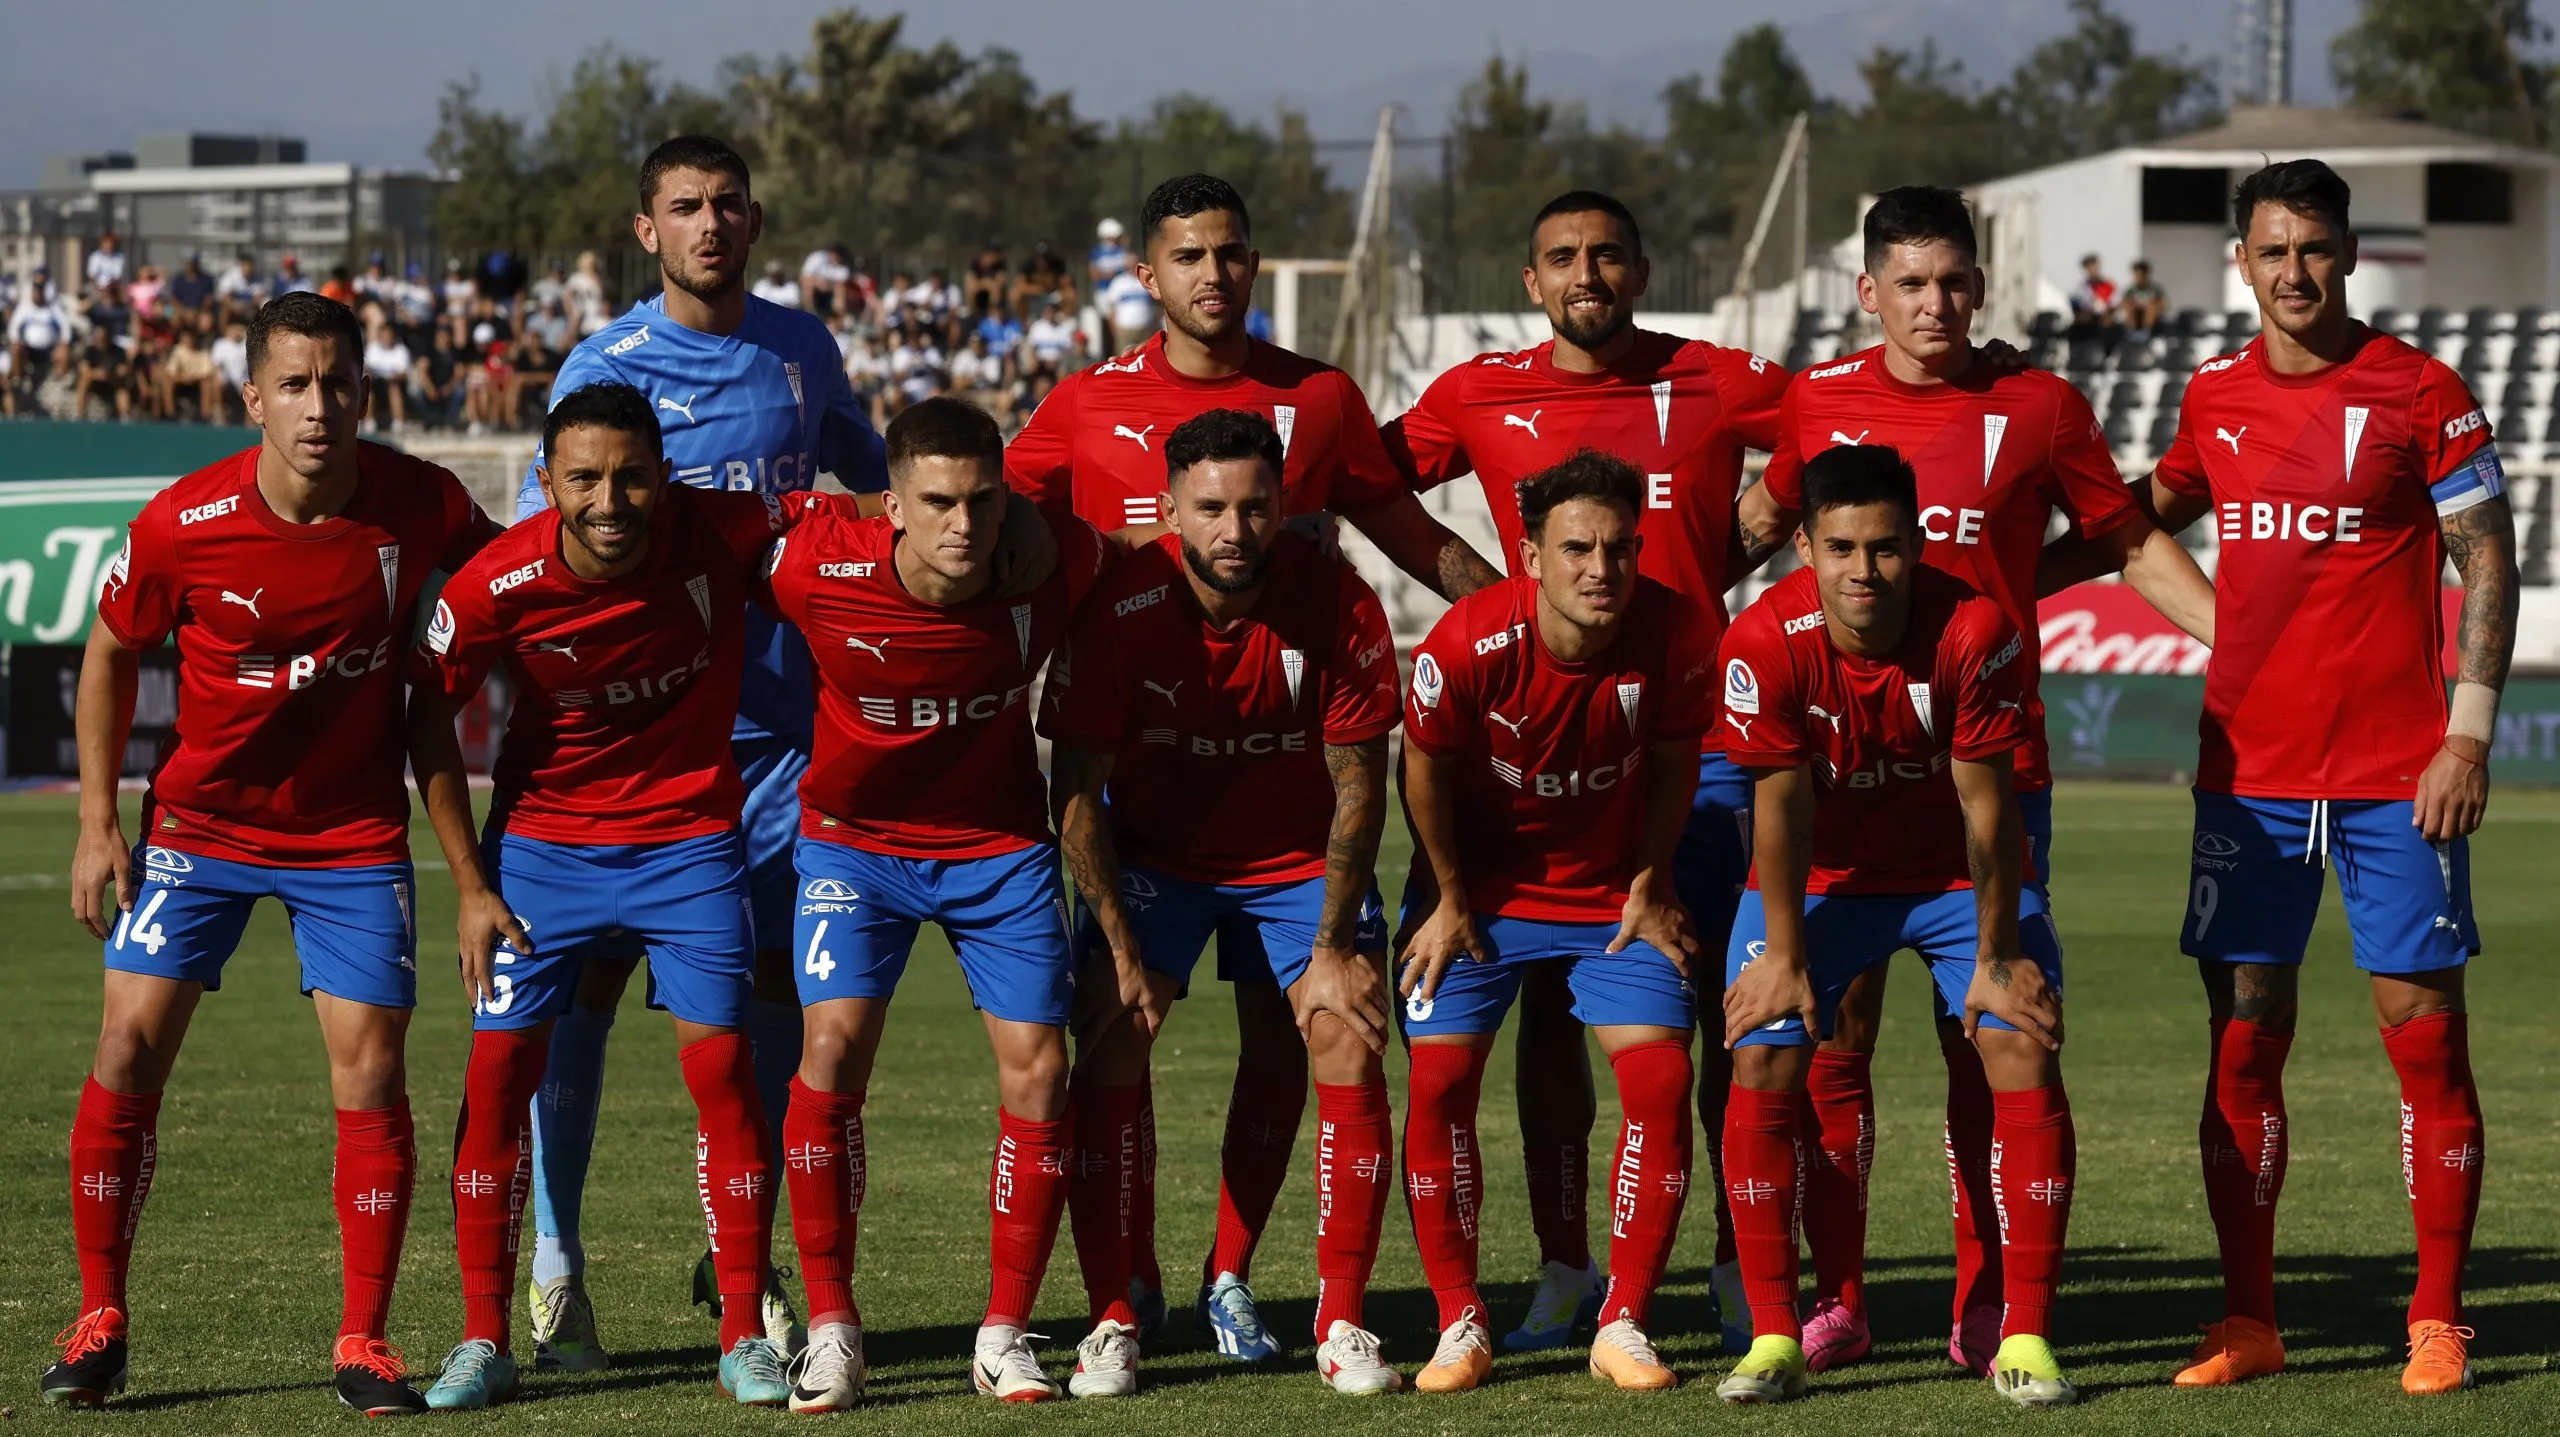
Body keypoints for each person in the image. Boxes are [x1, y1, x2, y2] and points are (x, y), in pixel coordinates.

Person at [1008, 172, 1499, 1357]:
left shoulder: (1319, 400)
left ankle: (1249, 1283)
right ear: (1147, 272)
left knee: (1317, 1030)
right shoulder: (1082, 406)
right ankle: (1126, 1297)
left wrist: (1523, 626)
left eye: (1230, 252)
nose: (1212, 274)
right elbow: (983, 530)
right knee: (1114, 1030)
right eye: (1188, 255)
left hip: (1292, 814)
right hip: (1154, 819)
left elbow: (1410, 535)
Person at [1733, 183, 2216, 1376]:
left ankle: (1989, 1299)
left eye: (1953, 280)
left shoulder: (2040, 403)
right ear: (1867, 293)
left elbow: (2118, 538)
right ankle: (1833, 1300)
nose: (1934, 303)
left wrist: (2238, 648)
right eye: (1909, 282)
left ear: (1982, 285)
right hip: (1841, 779)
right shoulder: (1817, 402)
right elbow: (1750, 529)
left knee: (1988, 1034)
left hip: (1990, 768)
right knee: (1830, 1036)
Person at [2079, 158, 2512, 1397]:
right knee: (2242, 1043)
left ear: (2348, 253)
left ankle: (2436, 1320)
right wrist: (2005, 575)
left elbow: (2486, 557)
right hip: (2250, 779)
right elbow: (2133, 522)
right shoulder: (2213, 398)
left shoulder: (2421, 393)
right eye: (2271, 251)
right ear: (2241, 263)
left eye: (2313, 248)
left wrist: (2467, 734)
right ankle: (2249, 1320)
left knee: (2424, 1042)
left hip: (2396, 778)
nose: (2293, 272)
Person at [45, 292, 499, 1414]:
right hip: (199, 830)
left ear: (364, 393)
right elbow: (108, 654)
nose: (318, 407)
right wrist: (100, 823)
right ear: (253, 398)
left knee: (372, 1070)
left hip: (349, 839)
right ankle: (99, 1315)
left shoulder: (420, 503)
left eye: (338, 384)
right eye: (293, 385)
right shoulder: (180, 524)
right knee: (126, 1050)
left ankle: (365, 1341)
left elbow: (510, 580)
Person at [1384, 188, 1789, 1354]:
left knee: (1720, 1009)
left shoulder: (1713, 375)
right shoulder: (1477, 391)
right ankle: (1567, 1265)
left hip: (1695, 748)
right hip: (1541, 749)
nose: (1587, 275)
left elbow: (1833, 431)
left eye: (1607, 257)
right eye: (1562, 258)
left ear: (1642, 270)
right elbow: (1365, 480)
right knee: (1550, 1024)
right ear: (1532, 280)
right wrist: (1469, 582)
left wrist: (1740, 536)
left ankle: (1731, 1253)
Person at [404, 382, 803, 1410]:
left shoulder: (722, 526)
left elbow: (859, 525)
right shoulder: (496, 584)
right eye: (584, 478)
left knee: (724, 1075)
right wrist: (468, 884)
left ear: (664, 476)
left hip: (689, 847)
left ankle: (740, 1334)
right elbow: (426, 717)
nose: (611, 499)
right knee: (496, 1083)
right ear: (547, 483)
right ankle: (484, 1341)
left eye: (631, 475)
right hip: (540, 854)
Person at [1043, 409, 1404, 1396]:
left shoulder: (1338, 602)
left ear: (1283, 504)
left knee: (1337, 1026)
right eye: (1209, 508)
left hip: (1295, 861)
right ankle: (1116, 1310)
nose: (1233, 531)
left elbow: (1359, 787)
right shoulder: (1119, 604)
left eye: (1253, 507)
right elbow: (1074, 787)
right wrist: (1117, 948)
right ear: (1169, 508)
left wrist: (1332, 947)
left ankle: (1333, 1317)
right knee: (1112, 1026)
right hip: (1160, 857)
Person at [1713, 442, 2077, 1409]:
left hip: (1956, 877)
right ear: (1803, 546)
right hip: (1828, 878)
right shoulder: (1761, 639)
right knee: (1763, 1050)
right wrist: (1785, 959)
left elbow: (1989, 814)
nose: (1863, 572)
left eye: (1883, 548)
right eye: (1840, 549)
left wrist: (1998, 958)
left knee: (2019, 1041)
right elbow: (1780, 814)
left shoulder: (1976, 629)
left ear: (1915, 545)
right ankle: (1778, 1333)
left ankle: (2025, 1330)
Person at [762, 397, 1110, 1406]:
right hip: (852, 849)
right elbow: (723, 531)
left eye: (984, 503)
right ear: (891, 505)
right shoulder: (814, 562)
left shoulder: (1055, 568)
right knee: (826, 1057)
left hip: (996, 853)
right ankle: (832, 1330)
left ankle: (1005, 1331)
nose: (963, 525)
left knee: (1041, 1073)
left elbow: (1130, 562)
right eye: (939, 502)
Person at [1396, 451, 1706, 1394]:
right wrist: (1449, 897)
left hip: (1611, 893)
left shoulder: (1678, 631)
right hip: (1479, 894)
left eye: (1618, 547)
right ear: (1531, 554)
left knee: (1659, 1076)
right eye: (1577, 548)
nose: (1600, 568)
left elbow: (1675, 764)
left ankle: (1625, 1318)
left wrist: (1650, 882)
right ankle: (1460, 1319)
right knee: (1440, 1079)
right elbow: (1424, 768)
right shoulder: (1464, 643)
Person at [362, 321, 412, 430]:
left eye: (389, 335)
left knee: (394, 388)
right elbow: (366, 368)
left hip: (395, 384)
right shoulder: (372, 348)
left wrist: (393, 377)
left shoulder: (401, 350)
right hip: (376, 384)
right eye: (384, 334)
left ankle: (398, 423)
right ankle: (369, 423)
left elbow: (405, 374)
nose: (386, 337)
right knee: (368, 388)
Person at [2120, 259, 2168, 341]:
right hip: (2136, 316)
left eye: (2140, 274)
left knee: (2152, 306)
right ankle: (2131, 332)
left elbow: (2164, 304)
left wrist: (2149, 304)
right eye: (2135, 274)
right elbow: (2124, 303)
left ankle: (2145, 332)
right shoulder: (2131, 290)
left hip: (2151, 318)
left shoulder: (2155, 289)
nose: (2138, 277)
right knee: (2129, 305)